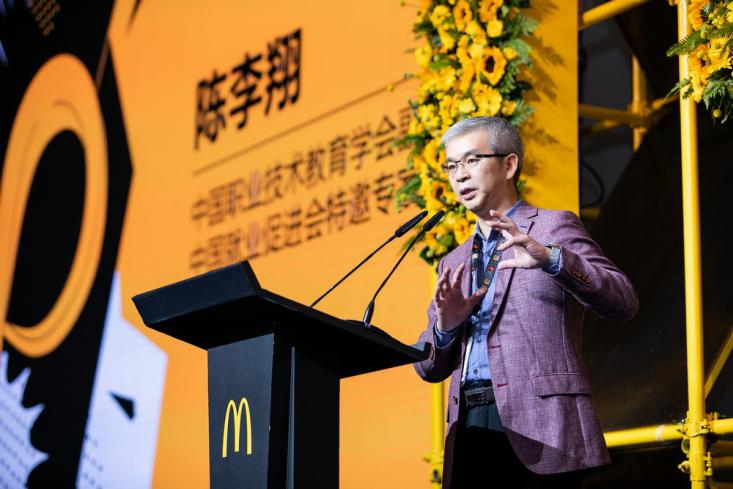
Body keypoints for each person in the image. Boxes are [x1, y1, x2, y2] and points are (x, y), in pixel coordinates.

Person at [413, 116, 638, 489]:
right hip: (469, 425)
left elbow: (623, 300)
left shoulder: (552, 228)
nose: (460, 175)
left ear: (509, 164)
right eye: (451, 166)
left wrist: (552, 259)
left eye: (471, 161)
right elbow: (427, 367)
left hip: (543, 425)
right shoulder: (454, 261)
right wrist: (446, 328)